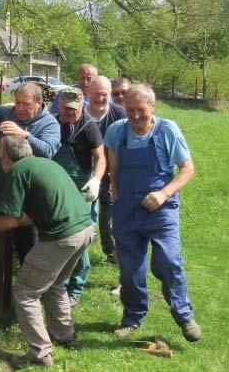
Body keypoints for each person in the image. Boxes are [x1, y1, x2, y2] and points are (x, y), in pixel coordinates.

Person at [0, 135, 93, 369]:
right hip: (84, 230)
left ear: (4, 157)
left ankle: (40, 353)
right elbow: (35, 212)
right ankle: (65, 336)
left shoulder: (18, 171)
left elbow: (9, 221)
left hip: (62, 237)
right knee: (55, 284)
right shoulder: (47, 164)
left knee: (26, 292)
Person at [104, 83, 201, 342]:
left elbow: (187, 169)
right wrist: (115, 190)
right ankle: (132, 317)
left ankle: (183, 315)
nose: (135, 116)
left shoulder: (167, 130)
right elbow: (113, 168)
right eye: (130, 110)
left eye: (141, 110)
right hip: (126, 210)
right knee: (130, 270)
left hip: (161, 211)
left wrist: (163, 194)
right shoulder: (116, 131)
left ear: (153, 107)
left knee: (167, 262)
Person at [0, 82, 60, 263]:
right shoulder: (7, 113)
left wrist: (25, 135)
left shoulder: (49, 123)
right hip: (0, 192)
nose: (20, 108)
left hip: (29, 199)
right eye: (17, 103)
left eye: (26, 104)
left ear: (39, 103)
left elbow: (48, 150)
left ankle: (29, 287)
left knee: (28, 248)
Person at [51, 88, 106, 307]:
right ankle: (58, 284)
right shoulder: (53, 123)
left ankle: (76, 287)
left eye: (73, 110)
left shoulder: (89, 127)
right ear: (59, 106)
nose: (69, 114)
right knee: (57, 238)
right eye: (65, 109)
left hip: (80, 189)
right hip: (56, 187)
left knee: (78, 241)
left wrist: (97, 180)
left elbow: (100, 158)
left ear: (81, 107)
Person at [86, 76, 126, 264]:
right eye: (96, 94)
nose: (100, 98)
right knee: (82, 212)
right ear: (88, 93)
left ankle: (112, 252)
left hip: (112, 173)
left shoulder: (121, 115)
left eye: (104, 95)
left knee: (109, 213)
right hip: (85, 172)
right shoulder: (80, 113)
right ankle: (79, 250)